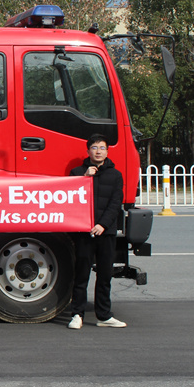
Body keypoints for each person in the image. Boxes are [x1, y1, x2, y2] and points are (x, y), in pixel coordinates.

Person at [67, 134, 126, 329]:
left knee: (105, 274)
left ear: (107, 151)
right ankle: (77, 314)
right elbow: (71, 197)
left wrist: (103, 225)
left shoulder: (115, 175)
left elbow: (116, 203)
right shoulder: (77, 172)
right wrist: (85, 179)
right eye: (94, 147)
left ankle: (104, 315)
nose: (98, 151)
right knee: (81, 273)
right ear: (88, 151)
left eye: (102, 147)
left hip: (105, 232)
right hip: (84, 231)